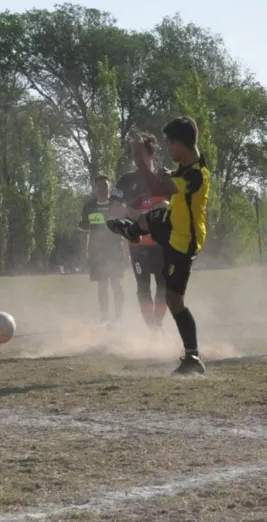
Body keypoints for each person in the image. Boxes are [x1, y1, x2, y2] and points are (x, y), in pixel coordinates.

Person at [106, 117, 211, 376]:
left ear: (180, 144)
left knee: (174, 300)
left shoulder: (195, 175)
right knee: (155, 213)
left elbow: (155, 188)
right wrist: (169, 174)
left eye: (170, 143)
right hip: (173, 224)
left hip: (183, 240)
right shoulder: (190, 165)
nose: (168, 149)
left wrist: (139, 159)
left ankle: (193, 357)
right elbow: (171, 180)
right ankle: (132, 230)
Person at [113, 133, 170, 331]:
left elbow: (173, 206)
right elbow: (116, 208)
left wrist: (162, 208)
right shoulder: (126, 181)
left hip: (163, 244)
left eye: (140, 153)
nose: (135, 157)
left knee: (164, 287)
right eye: (133, 153)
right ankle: (152, 329)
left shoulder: (163, 177)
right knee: (143, 288)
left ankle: (158, 324)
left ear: (152, 154)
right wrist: (138, 214)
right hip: (138, 245)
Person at [79, 174, 125, 326]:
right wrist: (86, 252)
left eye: (105, 185)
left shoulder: (116, 205)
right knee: (102, 285)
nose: (102, 188)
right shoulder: (89, 206)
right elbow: (85, 230)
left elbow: (125, 228)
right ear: (95, 188)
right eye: (99, 186)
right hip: (97, 251)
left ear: (110, 187)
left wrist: (127, 252)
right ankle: (104, 317)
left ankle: (118, 317)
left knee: (116, 283)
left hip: (115, 250)